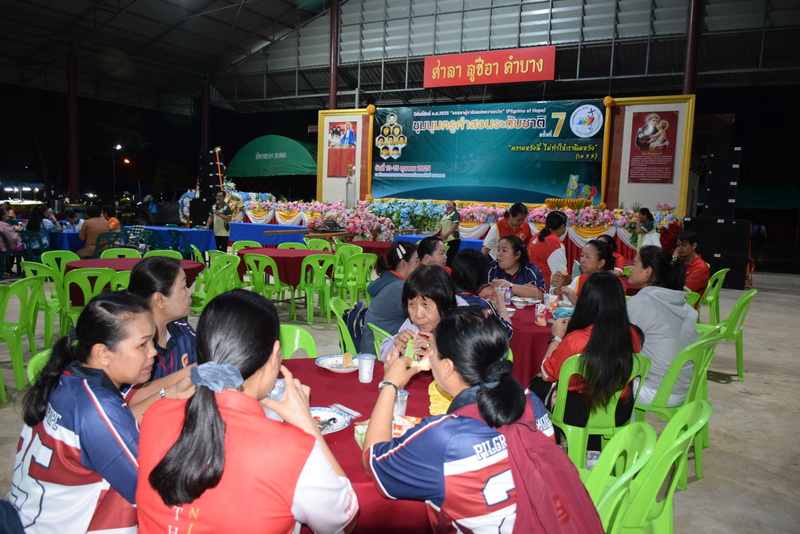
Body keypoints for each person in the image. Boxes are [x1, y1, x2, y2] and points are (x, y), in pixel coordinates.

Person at [136, 290, 359, 533]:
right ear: (275, 354)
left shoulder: (156, 416)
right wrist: (307, 425)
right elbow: (344, 523)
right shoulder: (291, 449)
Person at [363, 308, 554, 532]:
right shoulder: (532, 402)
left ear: (447, 366)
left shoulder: (445, 435)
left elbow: (372, 460)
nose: (428, 357)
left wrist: (390, 385)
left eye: (433, 351)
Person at [8, 292, 157, 532]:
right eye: (143, 344)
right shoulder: (96, 407)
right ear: (103, 354)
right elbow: (152, 490)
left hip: (25, 516)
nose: (153, 352)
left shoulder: (67, 376)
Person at [529, 272, 643, 432]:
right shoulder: (634, 334)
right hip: (620, 411)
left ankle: (552, 435)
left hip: (581, 413)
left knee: (537, 383)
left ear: (586, 302)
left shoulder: (575, 339)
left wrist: (556, 337)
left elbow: (546, 374)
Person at [627, 246, 698, 406]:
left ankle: (626, 423)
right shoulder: (682, 302)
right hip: (683, 389)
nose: (630, 269)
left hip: (654, 391)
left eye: (635, 264)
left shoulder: (642, 302)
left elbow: (619, 345)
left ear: (648, 271)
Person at [128, 257, 197, 380]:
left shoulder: (183, 329)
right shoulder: (132, 346)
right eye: (183, 287)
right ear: (159, 300)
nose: (189, 292)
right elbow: (132, 391)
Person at [379, 265, 466, 362]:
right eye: (412, 304)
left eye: (425, 304)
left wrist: (438, 354)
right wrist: (396, 346)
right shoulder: (415, 324)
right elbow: (383, 355)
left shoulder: (462, 325)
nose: (418, 315)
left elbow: (468, 365)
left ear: (445, 303)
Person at [361, 242, 419, 355]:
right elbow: (420, 317)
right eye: (416, 260)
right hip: (383, 351)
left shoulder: (385, 279)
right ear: (404, 264)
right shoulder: (400, 288)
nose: (419, 264)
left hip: (371, 344)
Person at [451, 249, 513, 338]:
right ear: (481, 277)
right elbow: (506, 332)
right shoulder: (481, 306)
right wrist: (501, 304)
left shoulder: (444, 295)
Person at [485, 235, 545, 299]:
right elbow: (482, 292)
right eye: (498, 250)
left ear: (517, 255)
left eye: (504, 250)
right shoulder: (491, 268)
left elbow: (541, 295)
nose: (498, 254)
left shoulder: (530, 270)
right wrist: (521, 291)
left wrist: (509, 286)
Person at [557, 239, 615, 304]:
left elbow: (605, 309)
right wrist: (558, 287)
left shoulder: (611, 284)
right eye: (582, 255)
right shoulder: (579, 280)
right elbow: (563, 302)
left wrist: (577, 301)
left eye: (587, 257)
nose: (582, 260)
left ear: (601, 263)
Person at [529, 210, 568, 291]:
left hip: (530, 285)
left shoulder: (536, 236)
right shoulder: (555, 244)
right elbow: (560, 275)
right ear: (562, 226)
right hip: (545, 290)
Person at [673, 230, 710, 294]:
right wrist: (673, 259)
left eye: (683, 245)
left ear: (694, 245)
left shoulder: (701, 267)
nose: (679, 249)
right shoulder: (678, 260)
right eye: (678, 245)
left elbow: (684, 291)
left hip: (686, 299)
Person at [439, 201, 461, 266]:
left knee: (451, 259)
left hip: (453, 239)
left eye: (450, 203)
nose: (448, 203)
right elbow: (443, 226)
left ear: (454, 206)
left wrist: (447, 234)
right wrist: (442, 235)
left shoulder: (455, 213)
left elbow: (455, 224)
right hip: (445, 239)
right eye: (447, 203)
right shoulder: (444, 215)